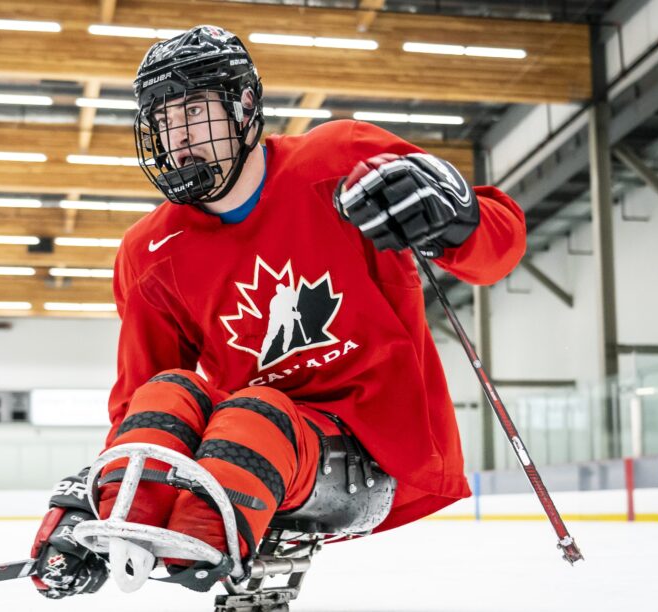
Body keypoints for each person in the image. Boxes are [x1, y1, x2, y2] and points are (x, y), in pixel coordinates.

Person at [30, 24, 526, 598]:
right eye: (163, 119)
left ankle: (204, 531)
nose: (177, 136)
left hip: (370, 449)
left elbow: (498, 252)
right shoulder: (149, 252)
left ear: (243, 107)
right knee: (170, 395)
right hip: (257, 452)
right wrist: (104, 489)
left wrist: (455, 218)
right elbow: (142, 398)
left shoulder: (338, 161)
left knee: (256, 413)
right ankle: (121, 526)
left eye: (193, 110)